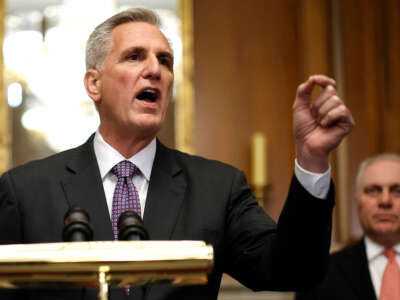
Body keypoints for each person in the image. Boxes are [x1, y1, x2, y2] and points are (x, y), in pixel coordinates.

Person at [0, 8, 354, 300]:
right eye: (134, 56)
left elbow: (293, 270)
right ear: (94, 84)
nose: (154, 69)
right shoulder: (25, 190)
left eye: (165, 61)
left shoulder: (217, 188)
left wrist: (312, 159)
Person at [296, 153, 400, 300]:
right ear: (357, 201)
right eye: (373, 190)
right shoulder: (318, 277)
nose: (385, 200)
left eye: (397, 191)